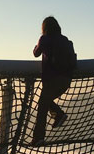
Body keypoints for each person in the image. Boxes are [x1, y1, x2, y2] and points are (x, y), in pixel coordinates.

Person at [30, 16, 75, 146]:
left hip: (51, 80)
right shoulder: (66, 41)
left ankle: (38, 138)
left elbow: (36, 53)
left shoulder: (45, 39)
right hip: (66, 81)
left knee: (42, 107)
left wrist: (36, 46)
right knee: (45, 101)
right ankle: (59, 115)